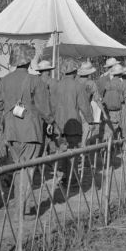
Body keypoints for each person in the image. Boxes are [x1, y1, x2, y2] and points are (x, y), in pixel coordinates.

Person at [0, 44, 53, 213]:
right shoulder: (36, 80)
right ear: (29, 61)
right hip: (31, 131)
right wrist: (50, 122)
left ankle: (20, 204)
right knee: (28, 169)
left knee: (19, 169)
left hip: (11, 131)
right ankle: (23, 208)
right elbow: (44, 108)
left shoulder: (5, 80)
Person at [55, 59, 94, 187]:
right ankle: (72, 179)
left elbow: (51, 105)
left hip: (59, 125)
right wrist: (90, 121)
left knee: (62, 152)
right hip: (73, 125)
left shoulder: (56, 85)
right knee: (73, 152)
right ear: (75, 72)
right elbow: (84, 106)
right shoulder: (77, 86)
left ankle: (63, 177)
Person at [99, 63, 126, 141]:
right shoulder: (120, 83)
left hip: (107, 109)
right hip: (116, 109)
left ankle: (106, 147)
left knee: (108, 128)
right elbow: (121, 99)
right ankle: (108, 148)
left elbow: (103, 95)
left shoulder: (108, 83)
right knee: (115, 128)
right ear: (120, 73)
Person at [37, 59, 59, 155]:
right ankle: (52, 163)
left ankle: (37, 165)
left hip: (38, 116)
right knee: (53, 139)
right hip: (51, 115)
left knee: (39, 141)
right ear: (48, 71)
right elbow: (55, 102)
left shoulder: (34, 82)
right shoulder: (54, 82)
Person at [77, 60, 100, 145]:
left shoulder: (75, 82)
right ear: (89, 73)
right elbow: (97, 99)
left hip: (75, 109)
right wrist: (104, 112)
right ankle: (83, 151)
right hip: (86, 109)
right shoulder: (91, 83)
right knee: (87, 131)